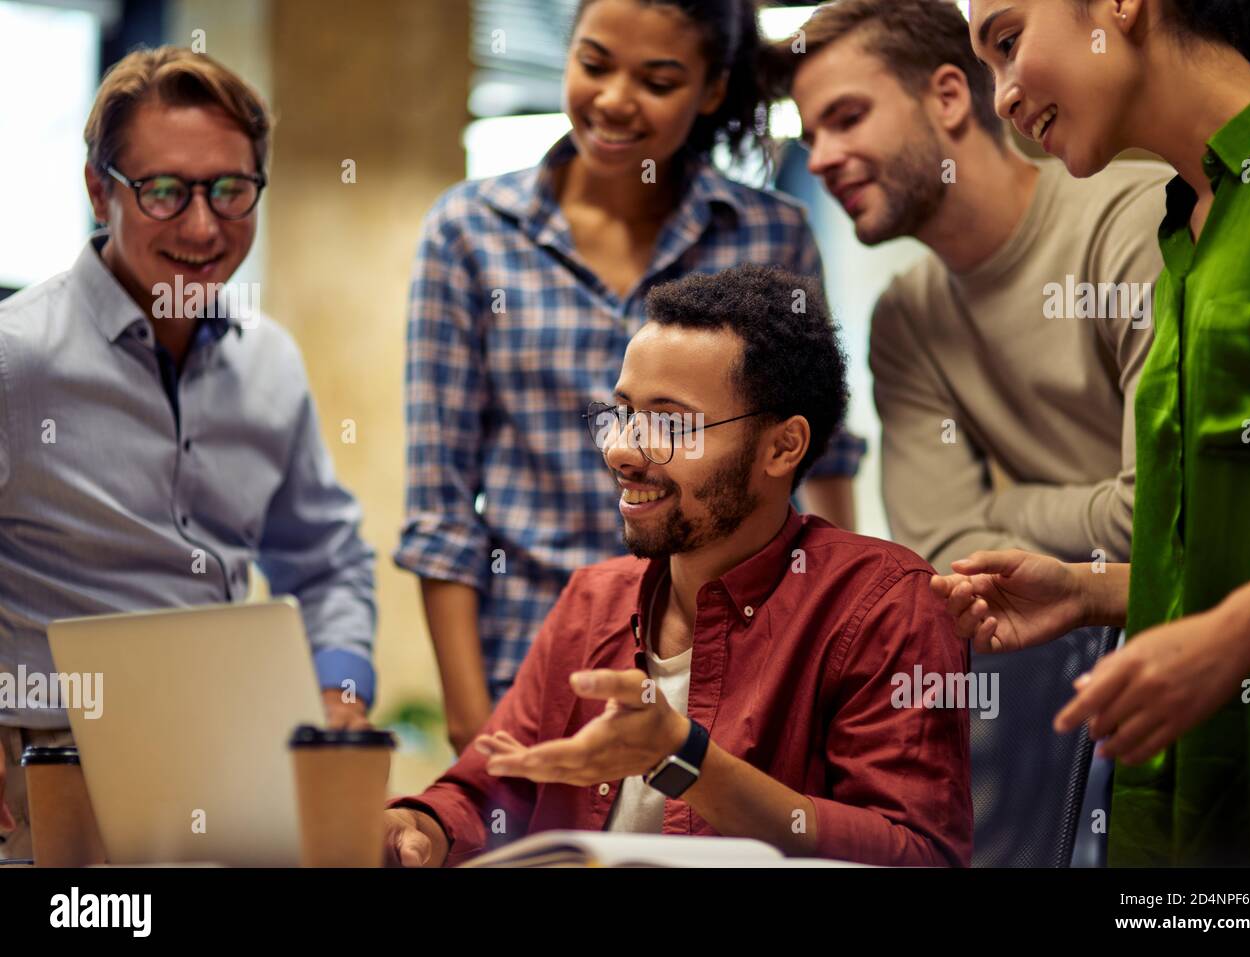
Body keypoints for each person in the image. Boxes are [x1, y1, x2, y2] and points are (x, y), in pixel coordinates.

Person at [397, 0, 866, 754]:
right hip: (531, 664)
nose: (614, 99)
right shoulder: (470, 232)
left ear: (712, 90)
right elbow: (440, 504)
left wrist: (837, 647)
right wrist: (472, 722)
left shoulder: (768, 234)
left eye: (657, 79)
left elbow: (821, 461)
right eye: (593, 64)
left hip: (731, 671)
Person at [384, 265, 971, 867]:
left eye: (668, 423)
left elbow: (918, 853)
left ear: (782, 447)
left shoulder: (885, 604)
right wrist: (420, 825)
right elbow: (488, 788)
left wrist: (687, 759)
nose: (621, 450)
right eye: (622, 413)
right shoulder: (594, 600)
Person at [936, 0, 1250, 866]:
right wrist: (1095, 591)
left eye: (1010, 42)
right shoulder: (1185, 226)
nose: (1002, 96)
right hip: (1184, 822)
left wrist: (1236, 635)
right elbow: (1236, 547)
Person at [0, 48, 377, 861]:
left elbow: (327, 559)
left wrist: (339, 684)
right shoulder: (15, 358)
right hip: (47, 771)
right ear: (100, 190)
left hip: (231, 767)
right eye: (164, 191)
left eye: (230, 190)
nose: (203, 227)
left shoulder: (270, 362)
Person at [770, 0, 1168, 575]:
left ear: (949, 97)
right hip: (1066, 659)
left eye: (848, 117)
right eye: (812, 136)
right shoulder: (905, 319)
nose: (820, 160)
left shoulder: (1134, 224)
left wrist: (1011, 508)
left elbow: (1159, 514)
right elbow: (942, 553)